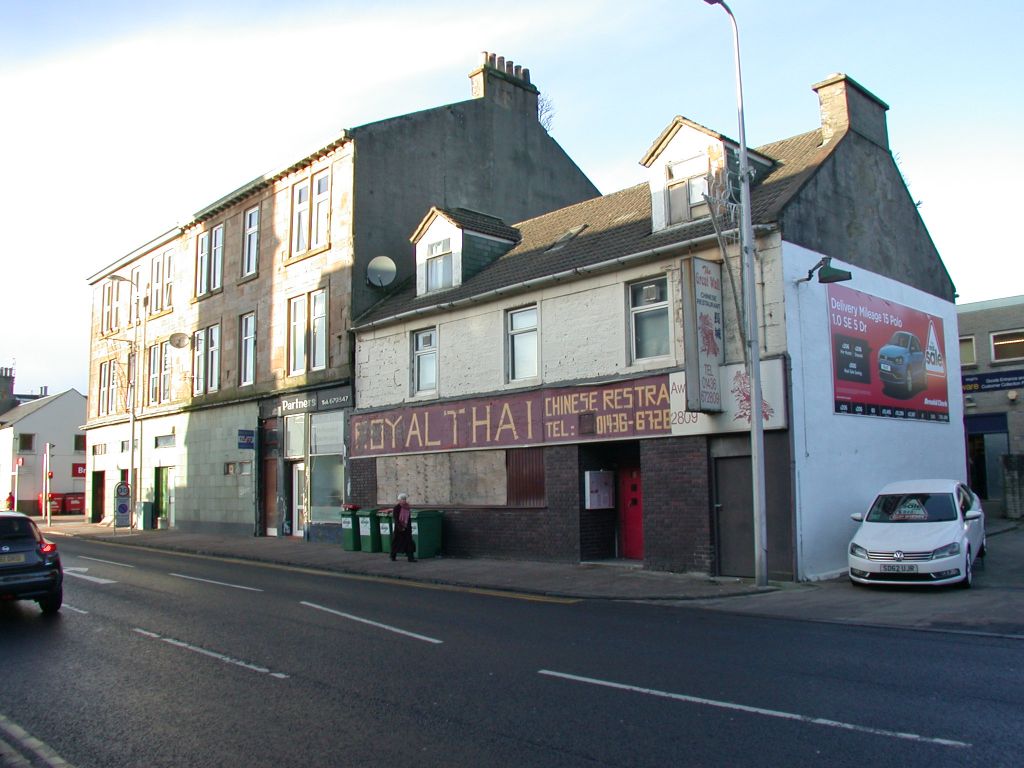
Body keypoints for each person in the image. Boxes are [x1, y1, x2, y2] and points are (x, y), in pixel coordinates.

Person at [389, 493, 416, 562]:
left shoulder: (407, 507)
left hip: (407, 528)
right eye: (402, 499)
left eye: (405, 499)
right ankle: (393, 556)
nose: (404, 500)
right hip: (399, 529)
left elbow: (408, 518)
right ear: (399, 500)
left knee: (409, 543)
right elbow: (396, 519)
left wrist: (408, 527)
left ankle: (411, 558)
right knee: (397, 543)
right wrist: (401, 527)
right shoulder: (396, 508)